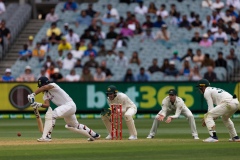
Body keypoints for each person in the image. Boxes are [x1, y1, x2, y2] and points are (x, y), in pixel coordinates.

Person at [27, 76, 100, 142]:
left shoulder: (53, 85)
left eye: (40, 86)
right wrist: (38, 104)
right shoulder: (46, 94)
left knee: (52, 115)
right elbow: (47, 105)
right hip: (66, 108)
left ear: (44, 84)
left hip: (69, 105)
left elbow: (44, 88)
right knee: (74, 125)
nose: (40, 88)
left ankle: (47, 136)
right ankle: (94, 135)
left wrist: (33, 94)